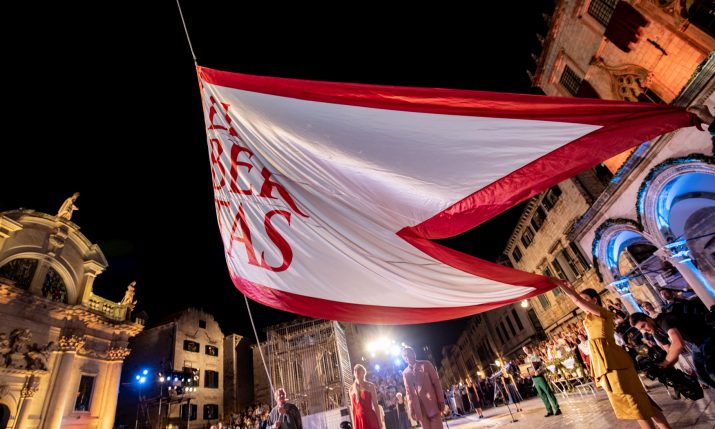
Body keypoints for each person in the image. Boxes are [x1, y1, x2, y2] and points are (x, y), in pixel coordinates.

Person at [557, 279, 671, 429]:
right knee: (639, 400)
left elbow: (577, 300)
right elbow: (578, 301)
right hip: (604, 358)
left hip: (612, 359)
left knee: (634, 401)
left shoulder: (602, 313)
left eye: (585, 299)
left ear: (594, 300)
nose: (581, 302)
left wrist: (560, 285)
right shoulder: (589, 318)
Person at [630, 311, 715, 389]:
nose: (644, 330)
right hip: (697, 344)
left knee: (711, 372)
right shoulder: (656, 333)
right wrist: (664, 367)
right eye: (641, 329)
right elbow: (670, 352)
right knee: (702, 376)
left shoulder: (663, 320)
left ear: (648, 319)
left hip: (708, 337)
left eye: (643, 325)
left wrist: (666, 362)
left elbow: (678, 344)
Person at [401, 347, 445, 429]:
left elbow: (436, 383)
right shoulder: (405, 373)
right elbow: (408, 392)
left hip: (433, 404)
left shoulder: (426, 364)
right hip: (419, 408)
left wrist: (441, 400)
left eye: (409, 354)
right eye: (405, 356)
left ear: (414, 354)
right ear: (404, 359)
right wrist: (411, 408)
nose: (408, 357)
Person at [522, 345, 561, 417]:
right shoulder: (526, 359)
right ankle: (549, 410)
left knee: (548, 392)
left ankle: (557, 408)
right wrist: (525, 375)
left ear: (529, 348)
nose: (525, 351)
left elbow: (542, 366)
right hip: (534, 378)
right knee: (542, 395)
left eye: (526, 349)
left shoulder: (535, 356)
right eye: (524, 350)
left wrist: (538, 371)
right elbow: (527, 369)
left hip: (539, 377)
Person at [351, 364, 381, 429]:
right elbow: (353, 409)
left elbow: (375, 405)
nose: (357, 372)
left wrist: (380, 422)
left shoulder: (370, 386)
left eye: (359, 370)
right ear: (354, 373)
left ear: (364, 372)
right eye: (355, 370)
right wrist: (354, 426)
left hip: (370, 419)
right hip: (359, 420)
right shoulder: (351, 389)